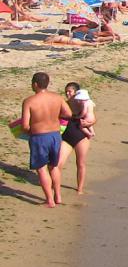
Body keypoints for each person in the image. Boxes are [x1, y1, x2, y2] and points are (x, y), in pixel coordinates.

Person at [21, 72, 71, 207]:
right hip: (55, 135)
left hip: (39, 137)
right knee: (54, 166)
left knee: (41, 168)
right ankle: (58, 196)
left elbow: (25, 125)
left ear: (35, 84)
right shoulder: (58, 98)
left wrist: (28, 132)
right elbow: (68, 113)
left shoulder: (29, 101)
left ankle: (49, 200)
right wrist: (54, 116)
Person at [58, 83, 95, 195]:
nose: (68, 93)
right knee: (58, 163)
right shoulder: (64, 104)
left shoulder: (83, 103)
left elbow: (93, 119)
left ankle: (80, 188)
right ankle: (56, 185)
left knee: (80, 163)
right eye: (66, 91)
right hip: (66, 137)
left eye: (70, 91)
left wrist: (91, 123)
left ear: (76, 93)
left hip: (81, 137)